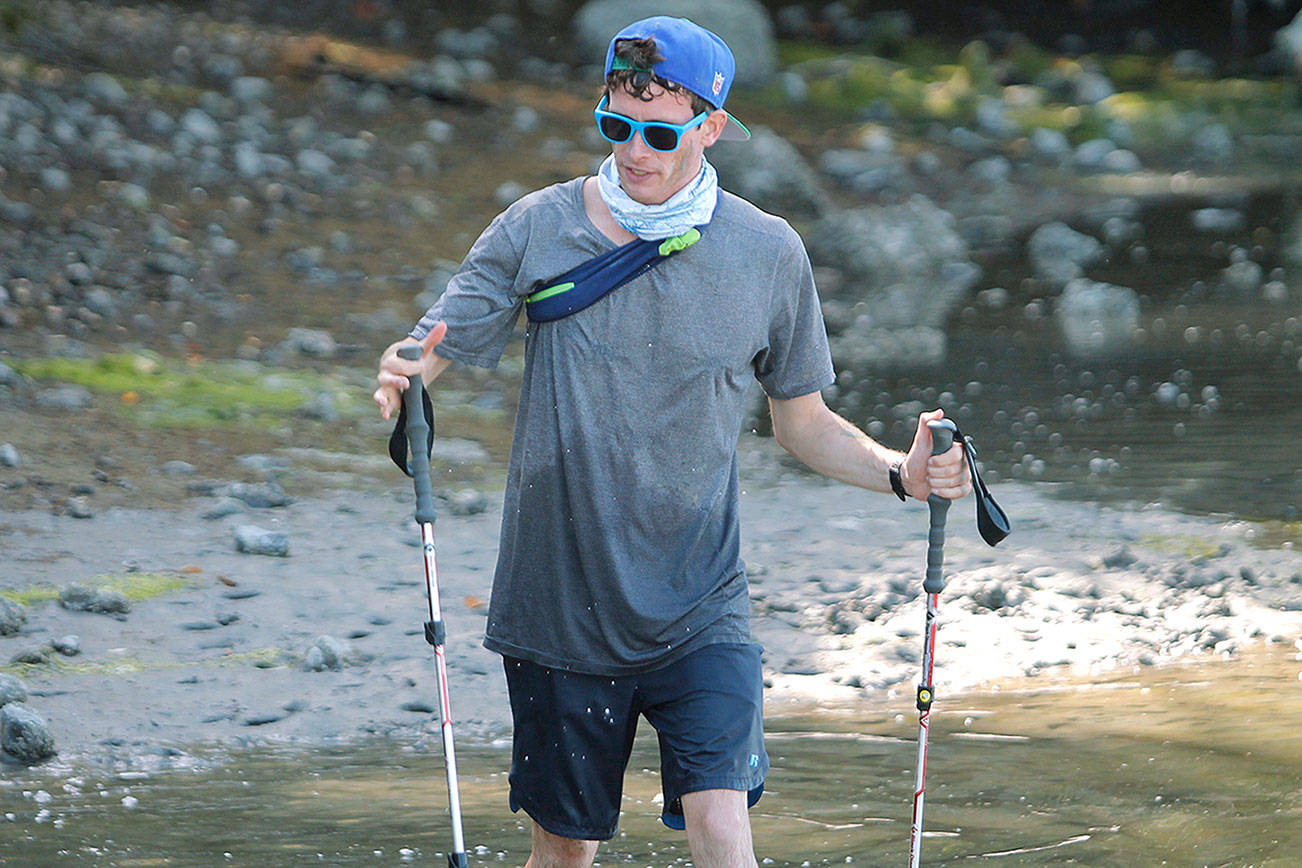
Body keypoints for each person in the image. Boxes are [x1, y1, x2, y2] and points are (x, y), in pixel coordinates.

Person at [374, 15, 971, 867]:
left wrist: (904, 475)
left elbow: (801, 424)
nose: (634, 151)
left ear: (712, 128)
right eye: (615, 125)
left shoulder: (767, 252)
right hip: (559, 604)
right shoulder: (538, 228)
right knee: (566, 852)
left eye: (658, 133)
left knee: (722, 829)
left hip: (702, 602)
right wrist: (403, 375)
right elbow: (435, 338)